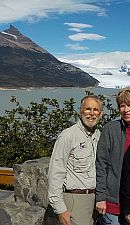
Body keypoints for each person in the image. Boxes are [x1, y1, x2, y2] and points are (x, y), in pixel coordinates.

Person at [48, 95, 103, 225]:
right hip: (74, 200)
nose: (91, 113)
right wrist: (61, 209)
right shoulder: (68, 136)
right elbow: (56, 172)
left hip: (94, 201)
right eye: (87, 109)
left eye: (95, 110)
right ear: (80, 111)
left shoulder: (99, 135)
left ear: (101, 114)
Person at [95, 87, 130, 225]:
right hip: (112, 201)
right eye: (122, 106)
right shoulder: (110, 129)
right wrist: (101, 197)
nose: (126, 110)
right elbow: (101, 164)